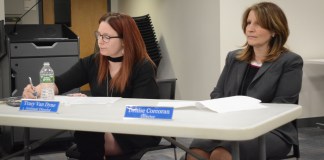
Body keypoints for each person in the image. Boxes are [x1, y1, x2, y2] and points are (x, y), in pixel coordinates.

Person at [22, 12, 161, 160]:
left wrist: (89, 105)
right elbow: (59, 83)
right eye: (99, 35)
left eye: (107, 37)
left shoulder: (142, 66)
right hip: (102, 127)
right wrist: (36, 90)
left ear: (125, 40)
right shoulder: (94, 62)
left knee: (88, 132)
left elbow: (139, 112)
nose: (100, 41)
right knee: (88, 131)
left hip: (134, 132)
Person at [187, 2, 303, 160]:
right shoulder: (234, 57)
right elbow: (217, 93)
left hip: (271, 131)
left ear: (275, 30)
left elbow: (282, 106)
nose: (250, 28)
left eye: (258, 24)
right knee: (195, 153)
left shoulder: (290, 62)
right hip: (227, 125)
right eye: (248, 23)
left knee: (221, 154)